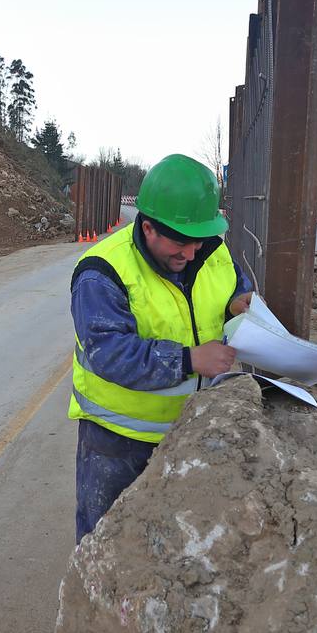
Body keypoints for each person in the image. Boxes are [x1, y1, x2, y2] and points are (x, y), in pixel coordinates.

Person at [68, 153, 253, 542]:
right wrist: (189, 360)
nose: (190, 255)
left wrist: (238, 304)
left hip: (192, 430)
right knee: (106, 541)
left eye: (198, 242)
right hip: (118, 440)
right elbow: (110, 353)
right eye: (180, 245)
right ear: (148, 228)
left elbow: (234, 289)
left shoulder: (211, 251)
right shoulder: (102, 272)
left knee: (172, 545)